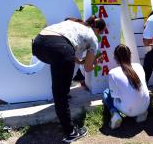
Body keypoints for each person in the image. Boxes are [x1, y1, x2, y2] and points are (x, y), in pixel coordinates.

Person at [32, 15, 106, 143]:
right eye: (101, 33)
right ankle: (70, 133)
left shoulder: (75, 24)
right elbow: (88, 68)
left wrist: (81, 61)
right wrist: (96, 62)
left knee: (60, 83)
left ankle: (65, 122)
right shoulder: (93, 38)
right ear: (98, 30)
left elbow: (70, 53)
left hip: (38, 44)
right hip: (59, 49)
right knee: (61, 95)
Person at [103, 44, 150, 129]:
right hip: (145, 105)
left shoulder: (113, 72)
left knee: (106, 92)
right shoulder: (138, 66)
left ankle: (115, 114)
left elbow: (115, 97)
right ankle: (140, 114)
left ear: (115, 58)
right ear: (130, 55)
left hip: (129, 110)